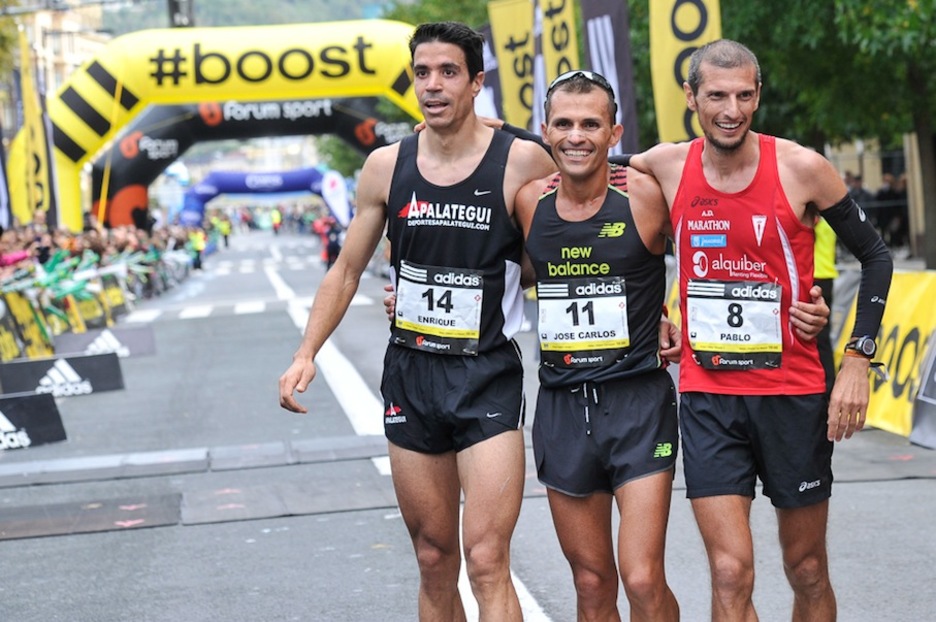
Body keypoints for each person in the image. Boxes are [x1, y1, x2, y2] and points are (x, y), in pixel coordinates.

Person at [278, 21, 556, 621]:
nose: (432, 85)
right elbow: (346, 270)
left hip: (485, 376)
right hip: (411, 376)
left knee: (486, 558)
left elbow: (555, 262)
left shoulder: (522, 160)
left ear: (477, 82)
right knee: (434, 557)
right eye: (422, 73)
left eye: (448, 72)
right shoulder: (385, 167)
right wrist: (306, 354)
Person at [626, 39, 893, 620]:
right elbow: (580, 153)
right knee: (728, 573)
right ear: (691, 96)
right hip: (708, 396)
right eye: (717, 95)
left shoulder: (801, 167)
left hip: (792, 394)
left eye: (745, 95)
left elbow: (876, 256)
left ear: (757, 95)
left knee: (807, 569)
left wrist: (854, 360)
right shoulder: (666, 165)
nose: (731, 110)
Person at [515, 70, 680, 620]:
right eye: (563, 123)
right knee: (590, 581)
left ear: (615, 132)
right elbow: (489, 272)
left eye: (591, 123)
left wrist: (670, 311)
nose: (576, 136)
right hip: (562, 408)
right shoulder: (527, 203)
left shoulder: (645, 196)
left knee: (640, 576)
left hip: (637, 405)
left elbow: (714, 238)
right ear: (545, 131)